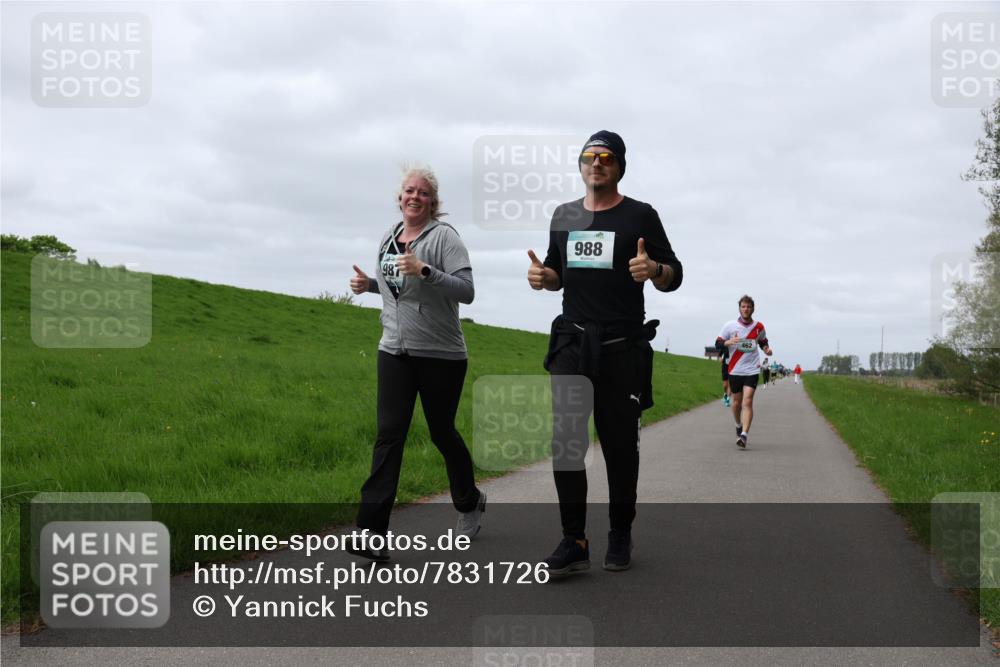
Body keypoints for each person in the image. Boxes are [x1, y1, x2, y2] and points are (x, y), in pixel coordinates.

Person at [526, 130, 683, 575]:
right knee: (567, 441)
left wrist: (654, 269)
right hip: (573, 344)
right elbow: (557, 272)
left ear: (619, 167)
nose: (597, 163)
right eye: (589, 156)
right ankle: (573, 538)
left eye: (606, 157)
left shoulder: (640, 216)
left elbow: (675, 274)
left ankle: (619, 531)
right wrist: (544, 277)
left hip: (621, 347)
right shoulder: (564, 216)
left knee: (619, 445)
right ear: (580, 165)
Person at [347, 165, 485, 561]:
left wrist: (425, 269)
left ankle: (469, 501)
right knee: (389, 435)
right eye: (409, 190)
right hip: (394, 350)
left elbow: (467, 291)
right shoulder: (389, 237)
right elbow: (399, 289)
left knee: (442, 432)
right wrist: (370, 285)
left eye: (423, 193)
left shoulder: (445, 238)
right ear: (400, 197)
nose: (415, 197)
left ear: (432, 202)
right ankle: (372, 533)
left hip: (441, 354)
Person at [716, 296, 773, 449]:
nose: (746, 309)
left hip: (752, 369)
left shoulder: (759, 326)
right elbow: (718, 343)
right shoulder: (730, 326)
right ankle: (738, 425)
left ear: (753, 309)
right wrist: (727, 342)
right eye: (743, 306)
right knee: (736, 403)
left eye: (748, 306)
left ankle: (744, 435)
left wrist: (766, 349)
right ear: (739, 308)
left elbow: (763, 341)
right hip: (735, 369)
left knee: (747, 402)